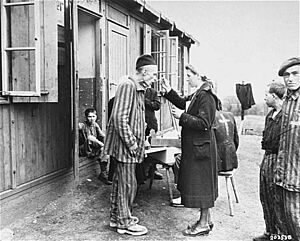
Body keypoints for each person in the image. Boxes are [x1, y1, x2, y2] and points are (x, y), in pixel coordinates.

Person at [102, 54, 158, 236]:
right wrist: (132, 143)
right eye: (153, 75)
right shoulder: (128, 85)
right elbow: (119, 118)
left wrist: (143, 141)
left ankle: (116, 217)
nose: (155, 79)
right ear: (143, 72)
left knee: (121, 182)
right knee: (128, 184)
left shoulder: (138, 88)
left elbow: (136, 119)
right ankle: (125, 223)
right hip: (126, 147)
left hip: (132, 145)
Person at [161, 64, 220, 236]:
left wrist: (182, 117)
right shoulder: (198, 93)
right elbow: (183, 102)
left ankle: (202, 224)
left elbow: (204, 123)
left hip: (202, 150)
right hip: (199, 148)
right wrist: (169, 91)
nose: (186, 78)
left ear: (199, 75)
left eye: (188, 75)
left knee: (203, 187)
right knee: (203, 186)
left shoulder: (206, 96)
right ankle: (206, 221)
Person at [253, 81, 285, 241]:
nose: (264, 98)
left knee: (277, 199)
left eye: (266, 95)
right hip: (267, 158)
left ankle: (280, 234)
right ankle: (269, 231)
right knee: (264, 196)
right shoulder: (269, 115)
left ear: (274, 96)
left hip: (279, 160)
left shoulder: (286, 116)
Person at [273, 57, 300, 241]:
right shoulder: (287, 100)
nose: (290, 78)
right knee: (285, 225)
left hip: (298, 178)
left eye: (295, 74)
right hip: (283, 175)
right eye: (286, 75)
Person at [78, 108, 110, 184]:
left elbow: (102, 135)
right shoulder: (83, 125)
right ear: (86, 117)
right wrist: (102, 144)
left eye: (93, 116)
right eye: (89, 117)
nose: (92, 119)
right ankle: (102, 148)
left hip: (93, 150)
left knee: (104, 150)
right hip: (84, 149)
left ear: (96, 117)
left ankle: (103, 173)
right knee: (90, 137)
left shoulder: (95, 125)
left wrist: (106, 145)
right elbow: (77, 125)